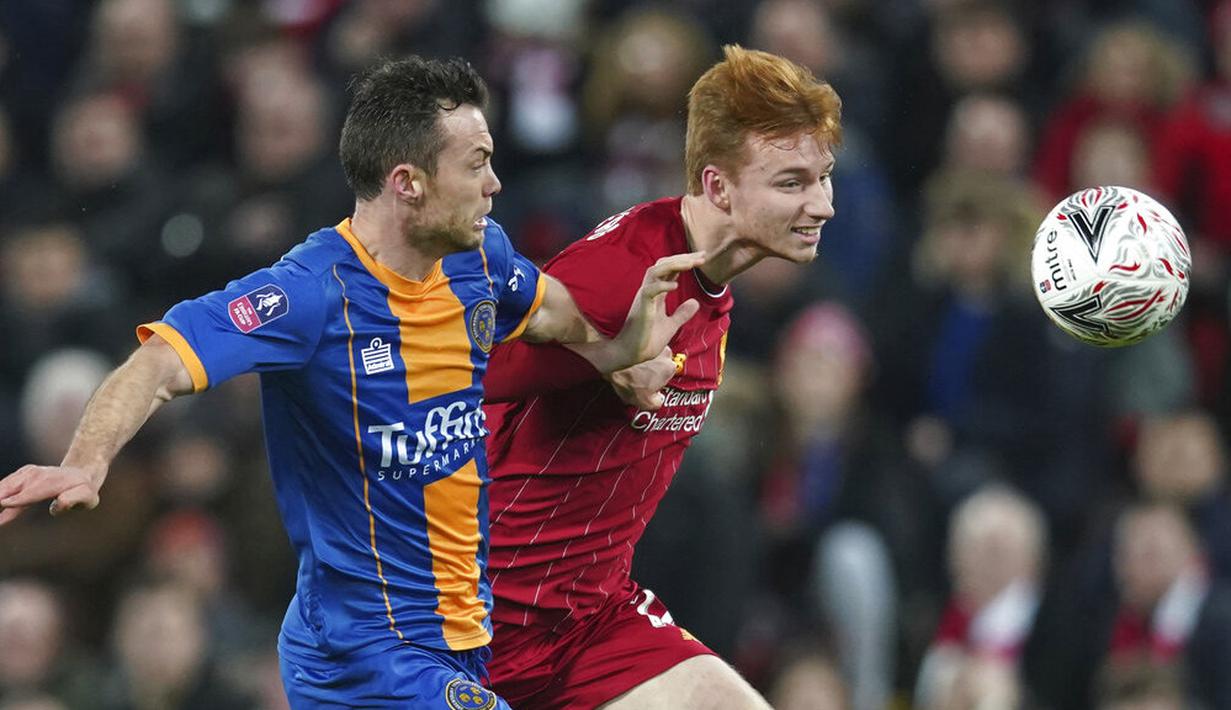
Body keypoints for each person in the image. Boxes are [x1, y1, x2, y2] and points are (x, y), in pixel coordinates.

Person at [0, 56, 701, 708]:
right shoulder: (309, 297)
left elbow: (547, 310)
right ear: (407, 184)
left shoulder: (478, 258)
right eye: (477, 164)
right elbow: (156, 364)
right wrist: (85, 461)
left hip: (462, 639)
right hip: (363, 651)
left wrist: (616, 349)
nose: (494, 184)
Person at [480, 45, 841, 708]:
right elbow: (460, 377)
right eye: (791, 183)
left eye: (823, 177)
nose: (822, 205)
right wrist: (599, 353)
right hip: (475, 624)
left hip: (588, 623)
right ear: (717, 186)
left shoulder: (709, 285)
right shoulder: (621, 273)